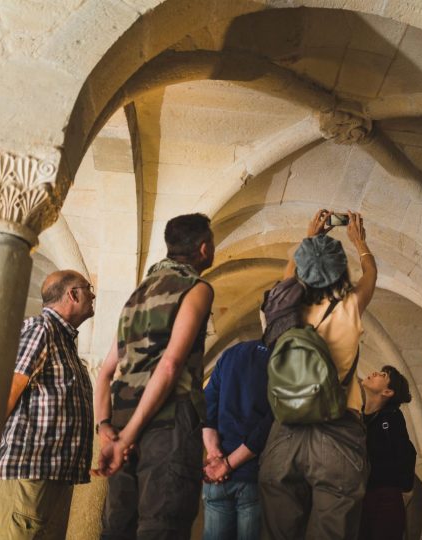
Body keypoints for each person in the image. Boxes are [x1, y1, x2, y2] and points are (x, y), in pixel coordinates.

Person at [94, 213, 215, 539]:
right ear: (203, 249)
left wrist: (108, 429)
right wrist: (130, 436)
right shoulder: (196, 288)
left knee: (119, 526)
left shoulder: (137, 295)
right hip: (168, 421)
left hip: (121, 417)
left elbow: (105, 371)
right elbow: (170, 365)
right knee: (163, 525)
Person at [259, 209, 377, 540]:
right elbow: (370, 274)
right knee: (332, 531)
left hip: (286, 430)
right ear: (340, 272)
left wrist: (308, 239)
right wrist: (360, 243)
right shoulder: (350, 306)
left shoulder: (281, 310)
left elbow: (286, 280)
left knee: (278, 532)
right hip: (338, 428)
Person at [0, 270, 96, 539]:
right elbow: (8, 388)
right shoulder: (41, 329)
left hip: (51, 471)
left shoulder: (65, 340)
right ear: (73, 293)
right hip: (28, 469)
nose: (93, 294)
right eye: (88, 288)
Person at [201, 338, 273, 540]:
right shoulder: (281, 361)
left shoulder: (231, 354)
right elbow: (269, 425)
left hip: (217, 480)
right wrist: (227, 464)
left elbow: (205, 408)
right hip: (253, 477)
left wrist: (215, 455)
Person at [359, 366, 416, 540]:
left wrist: (401, 489)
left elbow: (407, 454)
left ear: (388, 392)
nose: (375, 373)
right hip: (360, 497)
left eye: (383, 375)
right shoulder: (357, 418)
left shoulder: (392, 417)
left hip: (384, 498)